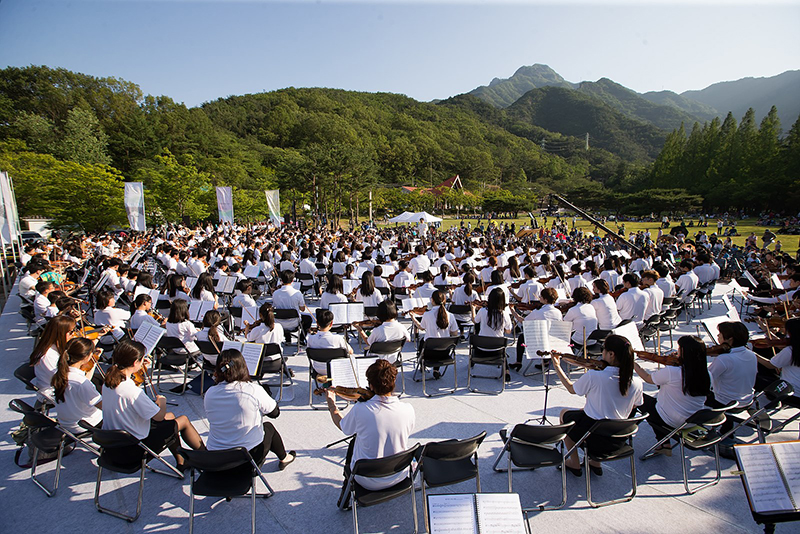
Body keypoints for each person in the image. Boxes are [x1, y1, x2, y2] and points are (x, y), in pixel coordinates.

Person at [101, 339, 205, 470]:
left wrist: (139, 368)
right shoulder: (131, 391)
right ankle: (207, 456)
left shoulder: (109, 382)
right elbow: (158, 417)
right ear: (135, 362)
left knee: (171, 416)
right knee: (183, 420)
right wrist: (162, 402)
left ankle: (181, 461)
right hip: (133, 449)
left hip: (113, 446)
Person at [325, 359, 415, 507]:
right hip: (400, 474)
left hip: (368, 480)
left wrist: (332, 405)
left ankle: (346, 492)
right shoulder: (408, 409)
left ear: (371, 385)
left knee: (354, 442)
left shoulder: (361, 410)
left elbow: (343, 427)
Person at [551, 335, 644, 476]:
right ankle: (595, 463)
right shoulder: (636, 382)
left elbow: (571, 389)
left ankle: (574, 462)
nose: (602, 353)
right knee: (593, 415)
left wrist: (557, 366)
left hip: (594, 438)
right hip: (618, 438)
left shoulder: (595, 376)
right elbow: (634, 407)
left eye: (603, 350)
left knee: (565, 414)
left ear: (611, 354)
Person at [204, 349, 295, 469]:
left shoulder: (210, 392)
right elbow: (275, 413)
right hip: (246, 459)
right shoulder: (252, 390)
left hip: (216, 458)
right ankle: (284, 458)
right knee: (268, 428)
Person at [634, 336, 710, 455]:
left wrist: (633, 364)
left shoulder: (673, 372)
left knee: (638, 396)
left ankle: (624, 433)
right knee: (657, 403)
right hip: (694, 419)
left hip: (673, 420)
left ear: (684, 352)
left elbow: (648, 379)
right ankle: (664, 444)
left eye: (679, 348)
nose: (676, 351)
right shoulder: (707, 373)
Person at [51, 337, 104, 433]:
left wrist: (94, 363)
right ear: (86, 357)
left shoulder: (60, 373)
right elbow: (104, 406)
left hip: (66, 422)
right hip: (85, 424)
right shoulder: (80, 382)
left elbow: (84, 382)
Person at [29, 315, 77, 399]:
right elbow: (65, 380)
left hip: (63, 381)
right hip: (55, 391)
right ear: (61, 333)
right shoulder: (47, 356)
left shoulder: (55, 346)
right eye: (71, 332)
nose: (74, 334)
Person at [755, 317, 800, 391]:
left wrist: (752, 354)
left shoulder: (790, 351)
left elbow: (770, 365)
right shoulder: (794, 349)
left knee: (754, 378)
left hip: (789, 391)